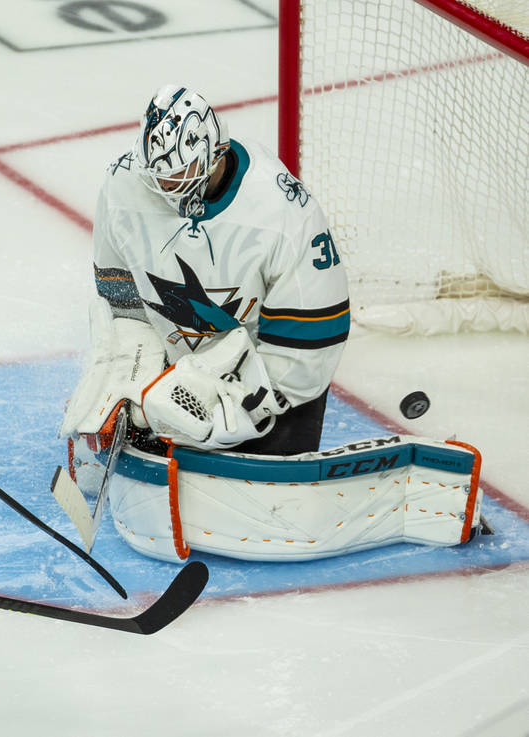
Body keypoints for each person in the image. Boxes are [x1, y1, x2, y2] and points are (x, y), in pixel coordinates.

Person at [58, 84, 353, 560]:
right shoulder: (124, 185)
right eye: (159, 177)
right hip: (179, 364)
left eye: (178, 177)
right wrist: (127, 385)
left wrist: (219, 412)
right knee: (135, 435)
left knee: (262, 505)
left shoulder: (284, 213)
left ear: (214, 155)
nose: (166, 190)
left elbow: (307, 350)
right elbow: (123, 304)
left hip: (264, 377)